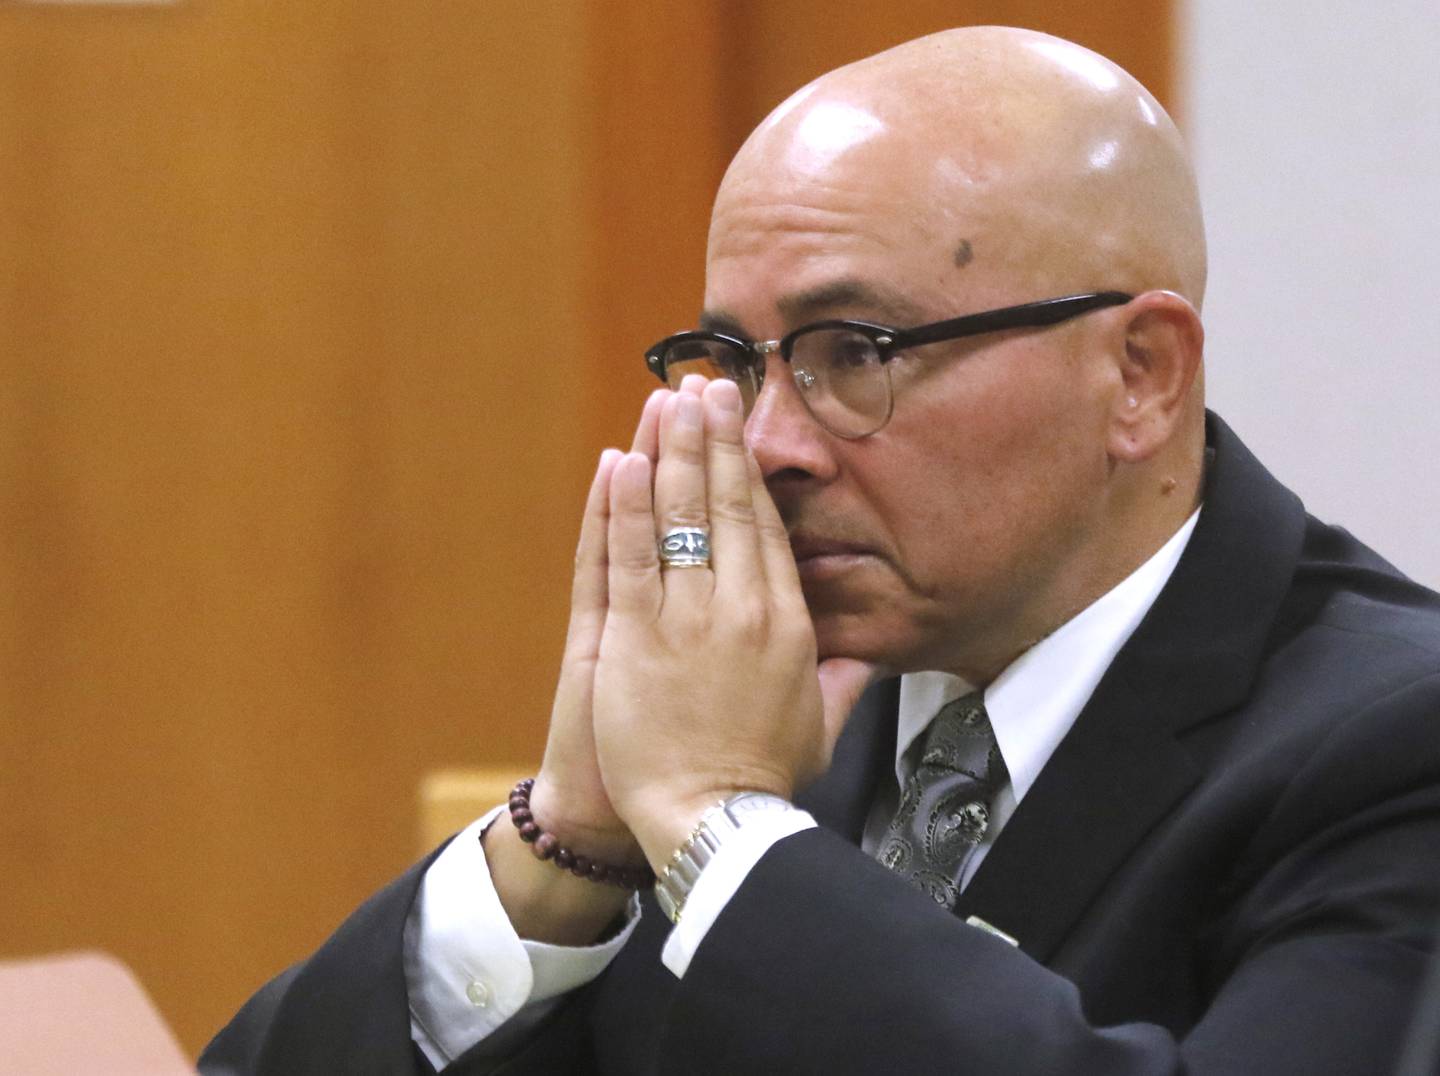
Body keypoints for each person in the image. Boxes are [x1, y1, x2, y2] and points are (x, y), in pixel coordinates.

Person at [202, 26, 1440, 1075]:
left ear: (1138, 375)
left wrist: (719, 825)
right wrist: (575, 835)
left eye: (855, 351)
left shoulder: (1395, 745)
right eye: (739, 362)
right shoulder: (787, 709)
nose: (772, 442)